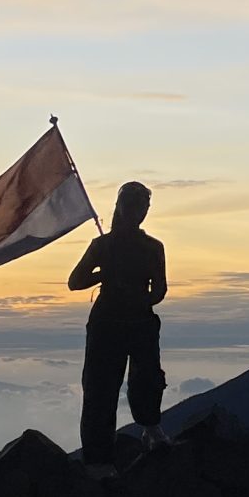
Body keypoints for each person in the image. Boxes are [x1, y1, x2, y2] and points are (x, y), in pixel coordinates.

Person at [68, 180, 168, 470]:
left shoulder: (153, 248)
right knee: (100, 388)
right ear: (120, 207)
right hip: (107, 324)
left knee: (147, 378)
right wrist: (103, 275)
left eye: (143, 206)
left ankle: (151, 427)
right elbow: (75, 282)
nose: (138, 211)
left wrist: (141, 299)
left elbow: (160, 290)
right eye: (133, 205)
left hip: (138, 322)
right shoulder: (103, 246)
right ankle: (98, 460)